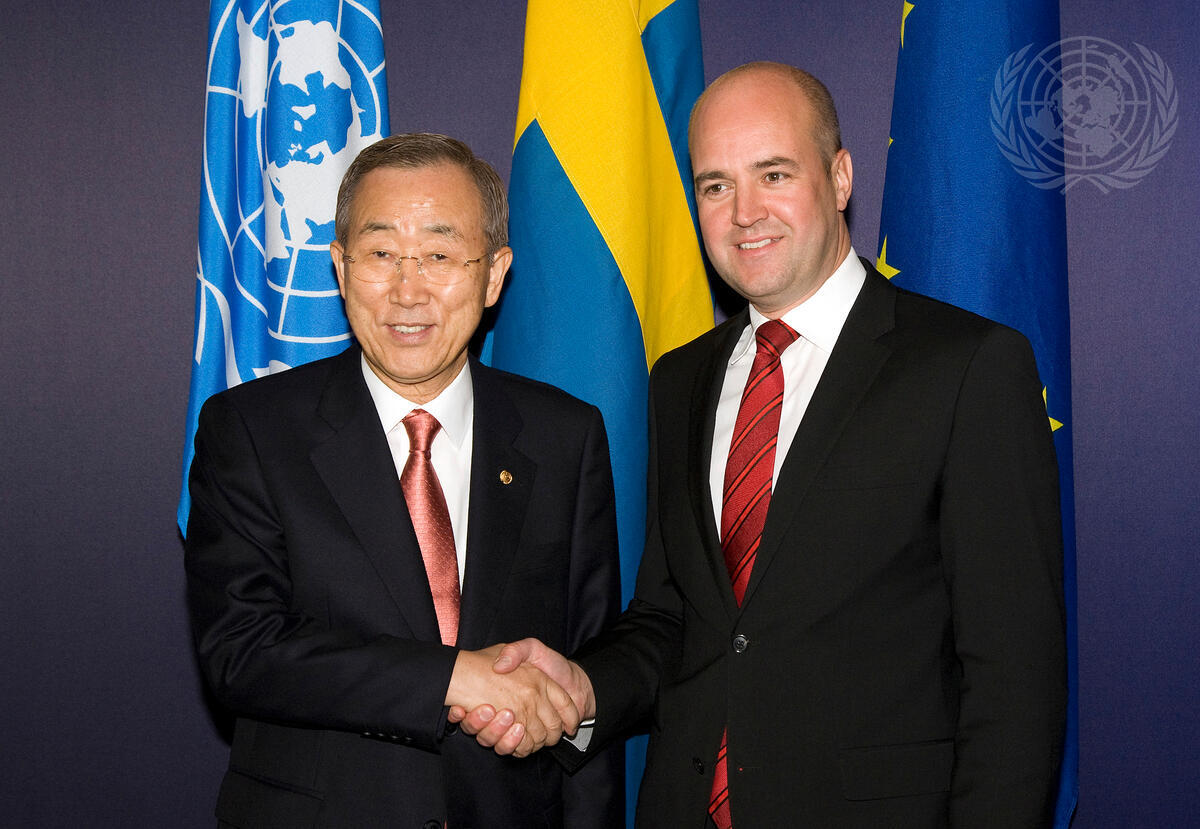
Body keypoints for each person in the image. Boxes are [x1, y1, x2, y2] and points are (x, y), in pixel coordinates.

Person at [457, 62, 1067, 827]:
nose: (745, 212)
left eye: (773, 173)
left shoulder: (967, 367)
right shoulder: (680, 379)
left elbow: (1015, 676)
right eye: (716, 185)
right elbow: (675, 618)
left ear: (839, 178)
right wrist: (583, 688)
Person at [185, 133, 623, 828]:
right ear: (340, 267)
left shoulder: (564, 436)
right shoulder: (252, 430)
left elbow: (586, 675)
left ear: (494, 275)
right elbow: (242, 651)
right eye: (380, 254)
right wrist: (452, 678)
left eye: (440, 256)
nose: (407, 290)